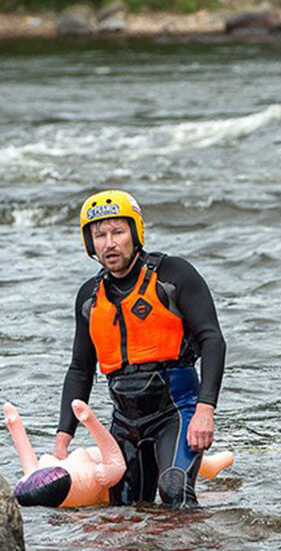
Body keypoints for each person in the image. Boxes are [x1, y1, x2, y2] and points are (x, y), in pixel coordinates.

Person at [55, 190, 226, 508]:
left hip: (178, 412)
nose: (109, 243)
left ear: (135, 233)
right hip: (124, 423)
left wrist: (205, 411)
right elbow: (80, 368)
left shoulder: (173, 275)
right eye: (99, 235)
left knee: (174, 490)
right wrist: (63, 438)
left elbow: (212, 340)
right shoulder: (89, 298)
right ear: (89, 243)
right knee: (123, 511)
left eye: (118, 232)